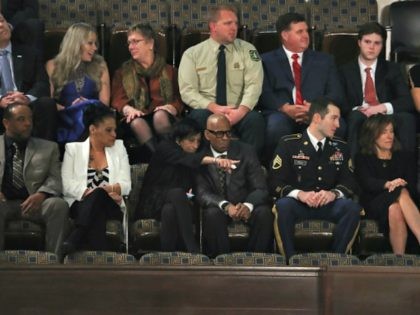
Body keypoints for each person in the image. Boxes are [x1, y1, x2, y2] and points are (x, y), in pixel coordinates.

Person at [268, 97, 361, 260]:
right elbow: (275, 181)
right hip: (299, 204)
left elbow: (350, 181)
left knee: (352, 208)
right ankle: (290, 262)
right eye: (334, 118)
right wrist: (300, 194)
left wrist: (334, 193)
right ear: (317, 118)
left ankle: (336, 261)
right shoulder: (288, 144)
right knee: (283, 206)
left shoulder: (341, 146)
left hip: (329, 204)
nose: (338, 125)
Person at [134, 118, 238, 253]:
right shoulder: (165, 148)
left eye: (198, 141)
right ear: (178, 140)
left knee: (170, 209)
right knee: (176, 193)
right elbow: (188, 160)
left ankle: (168, 257)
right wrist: (216, 160)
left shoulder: (194, 154)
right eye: (191, 141)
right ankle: (192, 248)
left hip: (179, 204)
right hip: (154, 201)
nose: (195, 145)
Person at [178, 5, 265, 157]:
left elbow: (254, 85)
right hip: (208, 111)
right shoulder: (192, 54)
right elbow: (187, 91)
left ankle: (248, 168)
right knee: (198, 117)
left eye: (236, 23)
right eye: (228, 23)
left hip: (238, 110)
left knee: (255, 120)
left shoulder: (248, 50)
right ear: (213, 26)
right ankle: (206, 169)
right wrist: (213, 107)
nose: (234, 28)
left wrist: (241, 111)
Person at [259, 12, 345, 163]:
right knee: (276, 126)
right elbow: (264, 92)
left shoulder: (325, 60)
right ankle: (276, 172)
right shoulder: (266, 60)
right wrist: (284, 108)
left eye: (306, 31)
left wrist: (315, 108)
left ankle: (329, 172)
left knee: (339, 125)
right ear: (285, 35)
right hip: (282, 113)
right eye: (300, 31)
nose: (306, 35)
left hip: (317, 111)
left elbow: (336, 93)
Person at [196, 114, 273, 258]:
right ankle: (221, 263)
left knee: (264, 213)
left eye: (228, 132)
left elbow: (261, 188)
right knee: (212, 214)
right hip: (219, 207)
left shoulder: (246, 151)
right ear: (207, 134)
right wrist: (225, 206)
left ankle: (254, 262)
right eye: (219, 133)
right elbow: (201, 192)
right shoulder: (200, 155)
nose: (225, 137)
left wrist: (248, 205)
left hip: (243, 204)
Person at [339, 22, 416, 160]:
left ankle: (407, 173)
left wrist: (382, 107)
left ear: (382, 45)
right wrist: (361, 109)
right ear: (359, 42)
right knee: (354, 118)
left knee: (408, 119)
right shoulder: (344, 70)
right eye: (367, 42)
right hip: (360, 113)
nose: (371, 47)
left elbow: (407, 101)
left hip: (385, 114)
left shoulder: (392, 69)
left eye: (377, 43)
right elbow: (341, 101)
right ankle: (352, 170)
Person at [0, 103, 69, 256]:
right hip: (4, 203)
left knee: (58, 205)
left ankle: (54, 263)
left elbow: (55, 179)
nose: (28, 123)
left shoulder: (48, 147)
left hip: (36, 204)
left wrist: (41, 194)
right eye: (21, 119)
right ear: (6, 123)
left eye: (30, 119)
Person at [61, 104, 131, 253]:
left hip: (112, 205)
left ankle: (76, 236)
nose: (114, 134)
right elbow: (66, 184)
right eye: (108, 130)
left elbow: (126, 185)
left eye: (114, 130)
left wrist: (107, 191)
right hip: (80, 205)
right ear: (93, 129)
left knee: (99, 195)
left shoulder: (119, 148)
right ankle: (102, 255)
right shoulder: (73, 149)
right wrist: (93, 193)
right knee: (97, 205)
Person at [112, 23, 183, 154]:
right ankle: (163, 159)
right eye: (129, 43)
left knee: (160, 116)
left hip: (163, 116)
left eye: (135, 42)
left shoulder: (170, 71)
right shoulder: (122, 73)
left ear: (150, 44)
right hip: (136, 117)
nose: (131, 47)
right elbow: (117, 100)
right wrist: (128, 109)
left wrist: (172, 107)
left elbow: (180, 97)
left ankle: (164, 160)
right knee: (137, 123)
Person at [355, 114, 420, 254]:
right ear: (372, 134)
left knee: (395, 207)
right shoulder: (362, 158)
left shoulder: (405, 157)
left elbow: (412, 185)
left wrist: (397, 186)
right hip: (374, 202)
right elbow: (367, 183)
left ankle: (399, 259)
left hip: (405, 203)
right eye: (383, 132)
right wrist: (388, 184)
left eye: (391, 131)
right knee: (400, 191)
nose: (389, 136)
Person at [46, 22, 111, 144]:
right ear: (76, 44)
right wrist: (72, 108)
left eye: (95, 44)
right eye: (90, 43)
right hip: (64, 117)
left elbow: (104, 103)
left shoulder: (100, 65)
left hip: (92, 117)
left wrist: (85, 105)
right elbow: (49, 103)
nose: (95, 48)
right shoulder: (52, 65)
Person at [0, 12, 56, 140]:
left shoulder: (29, 52)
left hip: (25, 102)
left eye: (2, 21)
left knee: (47, 104)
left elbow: (42, 84)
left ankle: (44, 155)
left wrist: (26, 98)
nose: (1, 25)